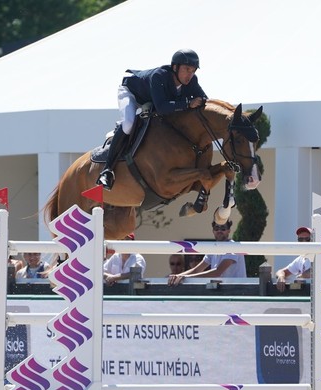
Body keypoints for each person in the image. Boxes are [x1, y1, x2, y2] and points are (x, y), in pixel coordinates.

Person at [97, 49, 207, 190]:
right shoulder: (159, 76)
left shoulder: (192, 81)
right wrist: (187, 103)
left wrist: (200, 100)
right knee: (129, 124)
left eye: (193, 71)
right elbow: (161, 107)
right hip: (132, 94)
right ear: (175, 67)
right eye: (187, 69)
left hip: (152, 100)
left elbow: (204, 98)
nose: (190, 75)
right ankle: (107, 171)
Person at [168, 219, 246, 286]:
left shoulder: (232, 246)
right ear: (213, 231)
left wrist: (185, 277)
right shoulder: (213, 248)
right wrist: (177, 276)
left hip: (237, 291)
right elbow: (197, 270)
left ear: (229, 231)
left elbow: (217, 272)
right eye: (216, 228)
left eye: (223, 228)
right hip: (222, 291)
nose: (219, 231)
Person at [275, 226, 312, 292]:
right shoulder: (300, 259)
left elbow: (312, 272)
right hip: (307, 295)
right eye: (300, 239)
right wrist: (281, 276)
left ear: (313, 240)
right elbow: (281, 271)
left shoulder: (320, 255)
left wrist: (301, 276)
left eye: (307, 239)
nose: (304, 242)